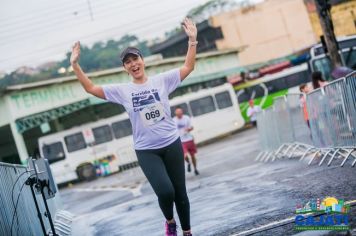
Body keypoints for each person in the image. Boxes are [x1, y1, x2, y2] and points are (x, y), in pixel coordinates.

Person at [70, 18, 197, 236]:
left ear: (142, 60)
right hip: (147, 150)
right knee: (166, 192)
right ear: (124, 68)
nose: (133, 64)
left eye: (135, 58)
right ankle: (170, 222)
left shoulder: (163, 80)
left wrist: (192, 40)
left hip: (172, 143)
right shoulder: (122, 91)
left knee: (181, 194)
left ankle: (187, 233)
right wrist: (75, 65)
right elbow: (90, 88)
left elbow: (188, 66)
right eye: (128, 62)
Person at [173, 107, 199, 176]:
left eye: (180, 112)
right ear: (175, 113)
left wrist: (188, 129)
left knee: (192, 155)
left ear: (182, 112)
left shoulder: (186, 118)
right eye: (177, 112)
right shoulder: (174, 120)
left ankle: (195, 169)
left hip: (189, 139)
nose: (179, 114)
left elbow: (192, 127)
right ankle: (188, 162)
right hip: (181, 141)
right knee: (184, 156)